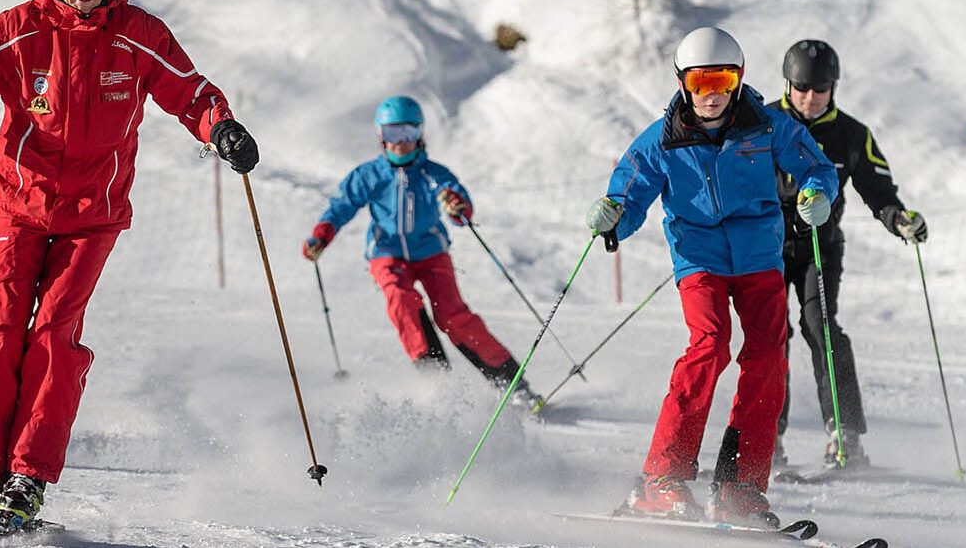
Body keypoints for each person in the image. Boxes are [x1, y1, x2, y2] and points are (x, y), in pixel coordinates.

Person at [0, 0, 258, 536]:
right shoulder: (16, 30)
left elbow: (190, 91)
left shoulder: (137, 34)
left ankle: (26, 478)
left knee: (53, 335)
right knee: (2, 332)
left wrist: (222, 129)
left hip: (91, 216)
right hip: (18, 205)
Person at [584, 27, 838, 526]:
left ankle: (739, 488)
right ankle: (663, 479)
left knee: (768, 354)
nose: (712, 92)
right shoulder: (662, 139)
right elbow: (629, 194)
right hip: (699, 256)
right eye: (701, 81)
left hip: (759, 256)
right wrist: (614, 212)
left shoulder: (767, 126)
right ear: (684, 83)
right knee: (711, 343)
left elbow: (817, 168)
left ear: (738, 79)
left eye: (722, 78)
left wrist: (815, 195)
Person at [301, 96, 545, 409]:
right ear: (380, 136)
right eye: (392, 134)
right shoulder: (368, 176)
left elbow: (461, 209)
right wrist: (321, 237)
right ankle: (439, 382)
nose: (400, 143)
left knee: (453, 316)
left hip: (431, 254)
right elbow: (341, 207)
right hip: (387, 254)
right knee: (401, 299)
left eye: (409, 134)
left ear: (420, 134)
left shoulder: (434, 174)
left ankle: (512, 383)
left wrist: (457, 207)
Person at [770, 39, 927, 470]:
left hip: (820, 246)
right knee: (770, 333)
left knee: (821, 327)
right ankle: (766, 438)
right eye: (801, 86)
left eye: (819, 87)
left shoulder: (852, 135)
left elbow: (879, 191)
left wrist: (900, 220)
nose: (809, 97)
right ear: (788, 83)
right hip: (764, 245)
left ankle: (846, 436)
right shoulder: (764, 124)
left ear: (833, 87)